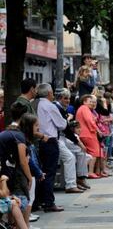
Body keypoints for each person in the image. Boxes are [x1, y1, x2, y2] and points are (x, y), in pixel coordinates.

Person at [36, 83, 67, 212]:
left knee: (42, 172)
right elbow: (61, 124)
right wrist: (67, 119)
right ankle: (49, 202)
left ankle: (42, 199)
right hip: (50, 140)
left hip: (40, 140)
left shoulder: (36, 104)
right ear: (49, 93)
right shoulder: (50, 106)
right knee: (50, 172)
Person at [54, 90, 84, 193]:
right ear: (59, 98)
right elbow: (64, 128)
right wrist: (77, 141)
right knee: (70, 158)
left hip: (62, 137)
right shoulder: (57, 108)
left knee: (81, 151)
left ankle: (80, 177)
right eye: (65, 98)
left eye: (68, 98)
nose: (68, 101)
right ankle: (70, 185)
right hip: (57, 138)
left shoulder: (62, 108)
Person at [76, 95, 102, 179]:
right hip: (88, 133)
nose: (91, 103)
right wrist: (97, 130)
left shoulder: (82, 108)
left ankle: (89, 171)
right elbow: (89, 120)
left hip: (84, 133)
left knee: (89, 153)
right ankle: (90, 172)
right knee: (94, 152)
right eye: (90, 101)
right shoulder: (84, 108)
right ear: (84, 102)